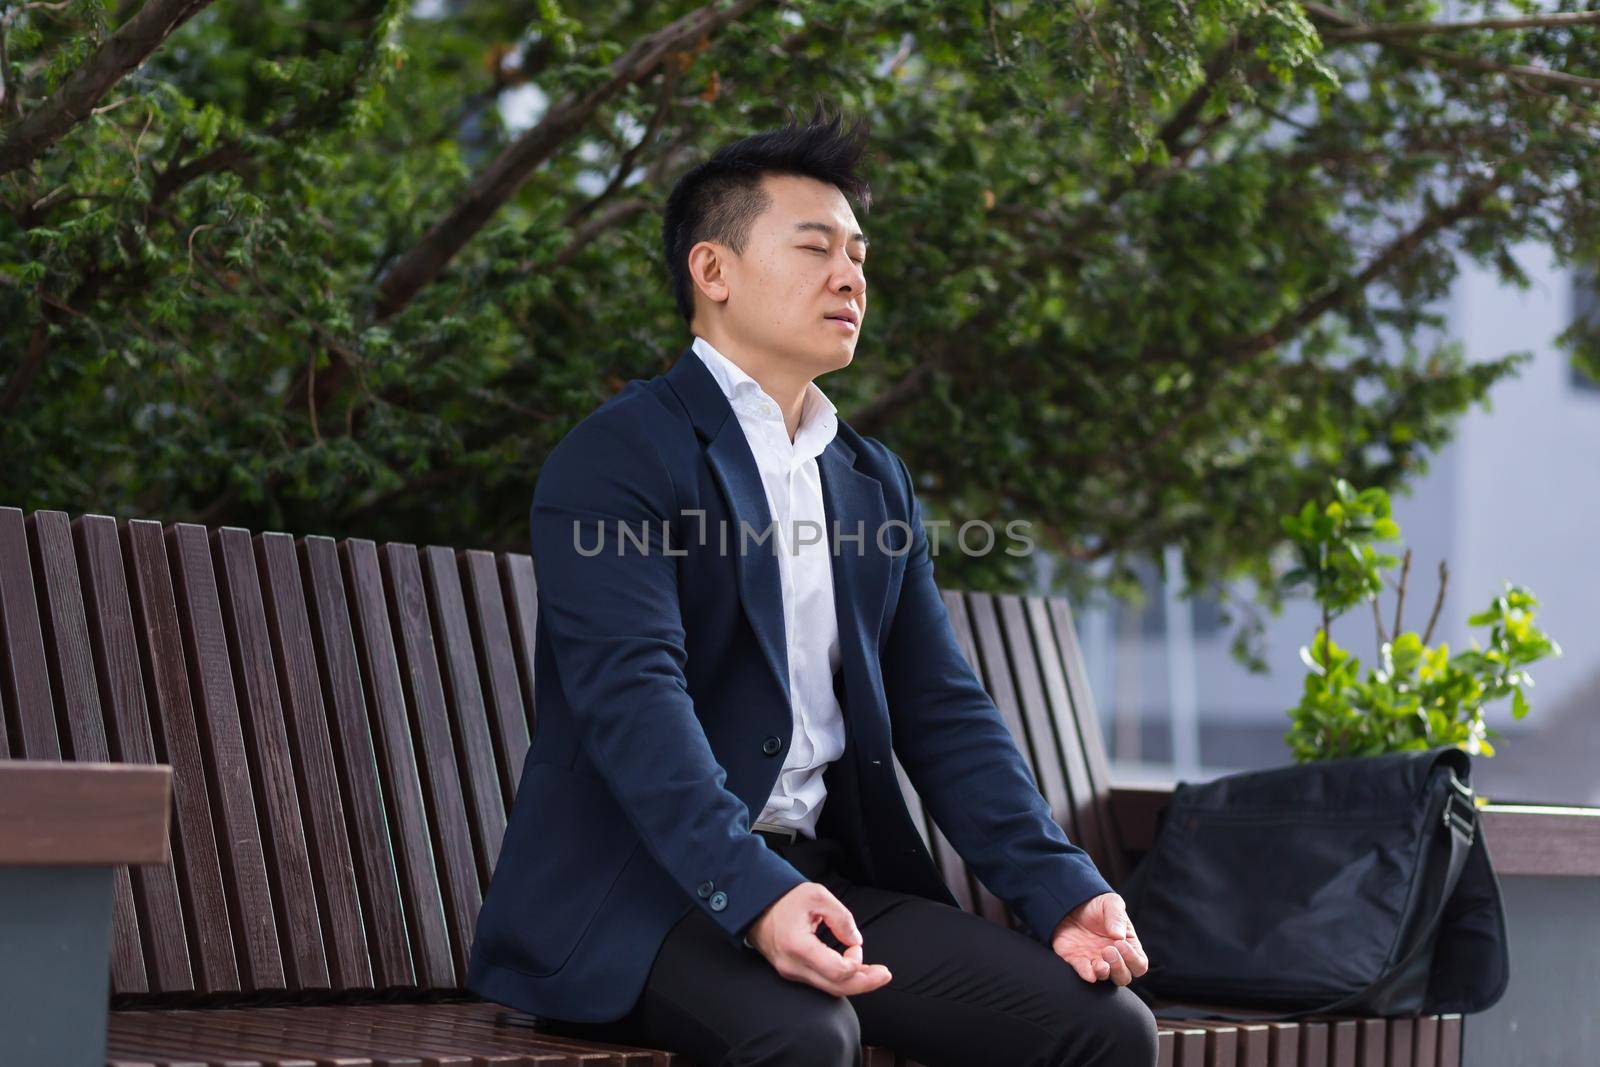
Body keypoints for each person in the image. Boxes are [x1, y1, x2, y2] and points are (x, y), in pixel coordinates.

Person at [467, 101, 1158, 1067]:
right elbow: (635, 700)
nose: (851, 275)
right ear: (712, 270)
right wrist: (752, 893)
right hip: (637, 896)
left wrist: (1063, 890)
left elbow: (944, 710)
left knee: (1104, 1028)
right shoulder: (620, 457)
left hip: (826, 881)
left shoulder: (868, 479)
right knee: (806, 1037)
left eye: (860, 254)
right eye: (815, 246)